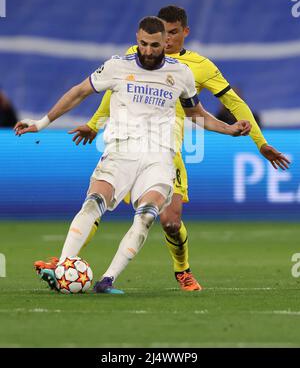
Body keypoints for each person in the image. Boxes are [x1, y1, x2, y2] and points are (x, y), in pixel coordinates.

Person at [14, 16, 251, 294]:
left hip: (159, 157)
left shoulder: (182, 74)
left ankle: (107, 280)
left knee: (147, 216)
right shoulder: (117, 66)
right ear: (136, 39)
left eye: (154, 45)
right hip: (120, 150)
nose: (148, 51)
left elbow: (196, 114)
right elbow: (79, 92)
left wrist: (230, 129)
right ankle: (65, 265)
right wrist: (41, 123)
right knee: (93, 203)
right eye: (142, 44)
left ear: (166, 43)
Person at [70, 5, 290, 292]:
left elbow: (234, 103)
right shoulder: (137, 55)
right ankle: (66, 261)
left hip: (166, 151)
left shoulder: (198, 67)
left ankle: (182, 270)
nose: (168, 39)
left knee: (170, 222)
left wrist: (260, 143)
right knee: (97, 202)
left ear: (184, 32)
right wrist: (94, 124)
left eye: (174, 33)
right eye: (164, 33)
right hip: (128, 144)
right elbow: (111, 95)